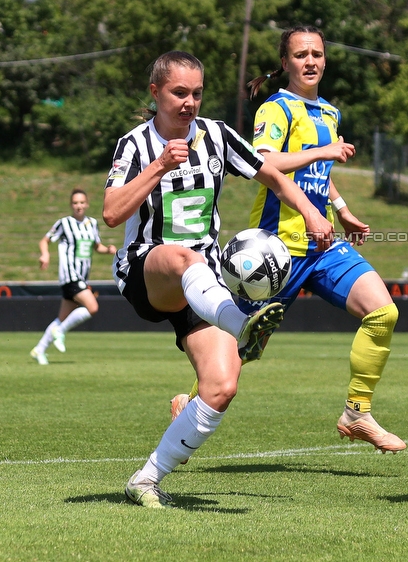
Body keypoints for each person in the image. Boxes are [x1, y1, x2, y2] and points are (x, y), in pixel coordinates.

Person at [104, 50, 334, 508]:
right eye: (178, 93)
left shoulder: (215, 135)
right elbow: (111, 213)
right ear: (155, 93)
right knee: (183, 258)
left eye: (197, 93)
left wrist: (310, 212)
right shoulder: (135, 145)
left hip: (205, 285)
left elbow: (272, 173)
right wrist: (158, 167)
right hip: (148, 273)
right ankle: (242, 325)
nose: (190, 103)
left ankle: (145, 481)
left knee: (221, 386)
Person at [170, 26, 406, 453]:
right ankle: (188, 405)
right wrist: (323, 152)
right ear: (285, 63)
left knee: (383, 312)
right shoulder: (276, 108)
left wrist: (344, 209)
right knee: (239, 347)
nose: (310, 61)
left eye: (317, 53)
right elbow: (263, 162)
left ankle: (357, 411)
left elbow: (320, 177)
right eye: (300, 55)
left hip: (323, 243)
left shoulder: (330, 112)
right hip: (275, 251)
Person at [30, 189, 115, 365]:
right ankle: (59, 331)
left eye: (82, 202)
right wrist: (45, 254)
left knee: (62, 317)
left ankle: (39, 349)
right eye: (75, 203)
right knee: (92, 307)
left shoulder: (92, 223)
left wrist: (107, 250)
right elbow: (44, 240)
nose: (79, 206)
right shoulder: (64, 223)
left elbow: (96, 246)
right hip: (70, 275)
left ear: (87, 204)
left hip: (82, 278)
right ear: (71, 205)